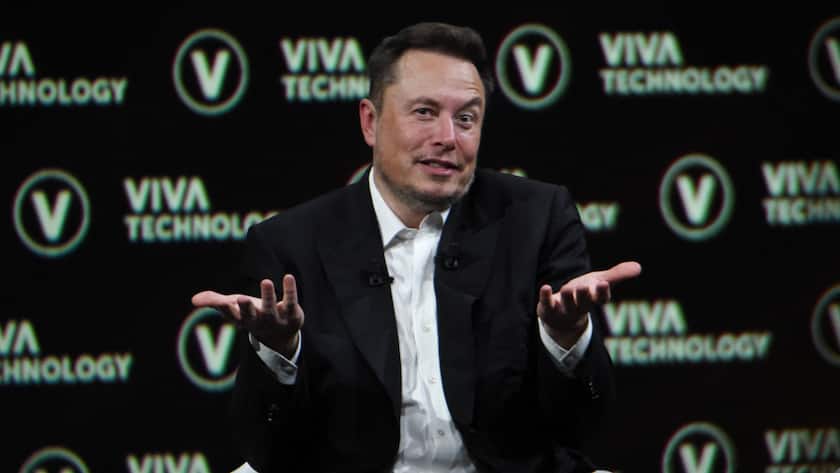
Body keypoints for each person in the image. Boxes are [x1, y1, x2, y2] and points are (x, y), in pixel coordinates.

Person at [192, 22, 641, 473]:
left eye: (466, 118)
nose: (448, 137)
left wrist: (566, 338)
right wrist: (278, 351)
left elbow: (582, 426)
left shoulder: (537, 218)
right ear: (370, 122)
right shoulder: (290, 244)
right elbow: (267, 449)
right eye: (425, 112)